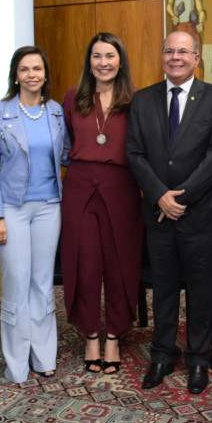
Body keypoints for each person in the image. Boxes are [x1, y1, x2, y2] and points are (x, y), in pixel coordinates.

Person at [126, 31, 212, 394]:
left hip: (200, 214)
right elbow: (135, 153)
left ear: (196, 58)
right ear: (162, 56)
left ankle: (199, 359)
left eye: (183, 51)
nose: (175, 57)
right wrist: (160, 196)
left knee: (202, 290)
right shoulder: (142, 100)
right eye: (169, 50)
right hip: (158, 213)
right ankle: (162, 353)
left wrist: (180, 198)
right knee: (165, 287)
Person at [0, 46, 70, 383]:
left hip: (49, 208)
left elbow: (67, 157)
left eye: (37, 68)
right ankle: (16, 364)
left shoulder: (57, 112)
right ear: (15, 75)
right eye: (24, 69)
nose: (31, 75)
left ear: (45, 74)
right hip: (12, 211)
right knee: (16, 282)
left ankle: (44, 356)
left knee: (42, 283)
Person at [60, 33, 142, 375]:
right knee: (85, 263)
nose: (103, 62)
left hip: (121, 188)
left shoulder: (136, 100)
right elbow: (64, 140)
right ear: (89, 61)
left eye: (110, 55)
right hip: (79, 188)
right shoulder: (72, 97)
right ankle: (91, 333)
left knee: (120, 263)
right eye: (97, 56)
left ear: (120, 60)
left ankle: (113, 335)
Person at [166, 0, 206, 80]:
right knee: (178, 58)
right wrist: (172, 15)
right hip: (178, 26)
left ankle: (197, 86)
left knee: (194, 58)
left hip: (191, 26)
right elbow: (169, 4)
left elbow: (200, 8)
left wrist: (201, 22)